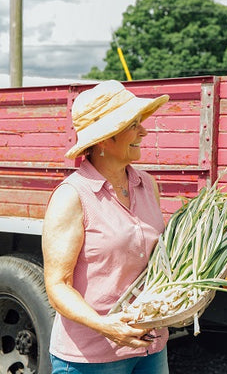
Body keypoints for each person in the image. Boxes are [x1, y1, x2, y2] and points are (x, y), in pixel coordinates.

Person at [42, 80, 170, 374]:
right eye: (133, 124)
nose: (144, 131)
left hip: (151, 347)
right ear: (104, 138)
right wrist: (106, 326)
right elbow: (58, 286)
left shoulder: (147, 185)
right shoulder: (72, 195)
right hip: (91, 357)